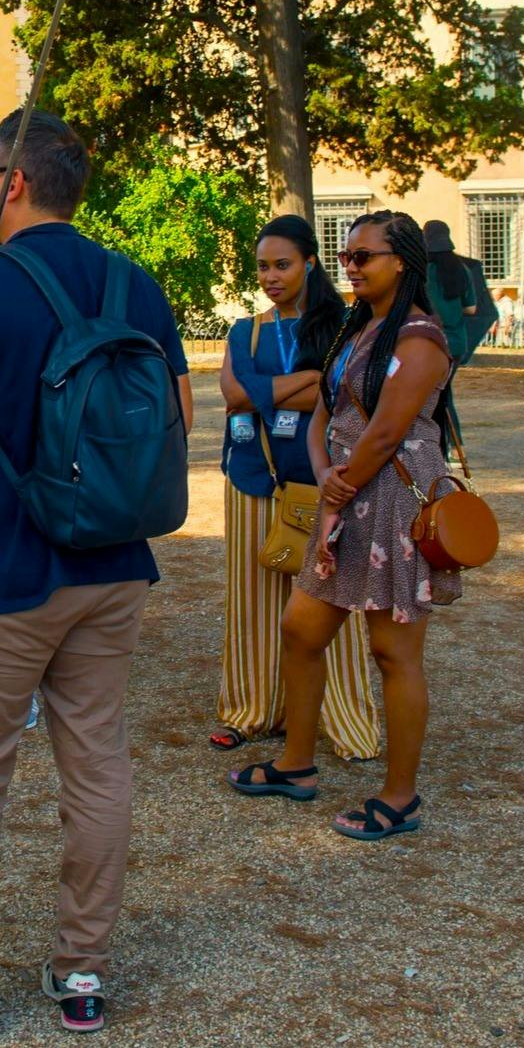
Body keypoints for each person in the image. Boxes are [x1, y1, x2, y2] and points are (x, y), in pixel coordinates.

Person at [0, 109, 191, 1043]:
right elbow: (177, 411)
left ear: (14, 182)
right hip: (113, 560)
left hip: (15, 564)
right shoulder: (131, 281)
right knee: (95, 761)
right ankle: (83, 971)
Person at [227, 211, 456, 844]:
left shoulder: (419, 337)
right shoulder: (357, 329)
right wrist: (326, 474)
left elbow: (387, 431)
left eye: (366, 256)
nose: (352, 266)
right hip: (345, 496)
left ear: (402, 261)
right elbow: (323, 409)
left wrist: (342, 480)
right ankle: (297, 764)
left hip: (392, 502)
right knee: (301, 629)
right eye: (348, 256)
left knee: (393, 651)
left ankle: (400, 796)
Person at [212, 216, 380, 762]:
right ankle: (252, 710)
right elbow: (235, 398)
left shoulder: (345, 326)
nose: (270, 276)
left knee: (326, 600)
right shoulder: (245, 330)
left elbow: (340, 399)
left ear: (310, 262)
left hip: (322, 482)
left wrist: (273, 393)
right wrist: (306, 382)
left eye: (282, 264)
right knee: (252, 601)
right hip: (253, 478)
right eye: (262, 266)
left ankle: (339, 713)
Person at [421, 220, 494, 361]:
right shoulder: (462, 269)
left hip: (427, 340)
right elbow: (471, 309)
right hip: (455, 343)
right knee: (446, 382)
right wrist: (451, 308)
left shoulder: (420, 270)